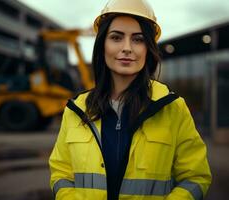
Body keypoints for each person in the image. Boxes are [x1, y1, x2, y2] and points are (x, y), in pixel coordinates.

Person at [49, 0, 212, 199]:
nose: (127, 48)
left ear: (148, 48)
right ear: (102, 45)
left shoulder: (173, 108)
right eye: (116, 37)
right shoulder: (76, 110)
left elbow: (196, 178)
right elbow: (61, 174)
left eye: (138, 39)